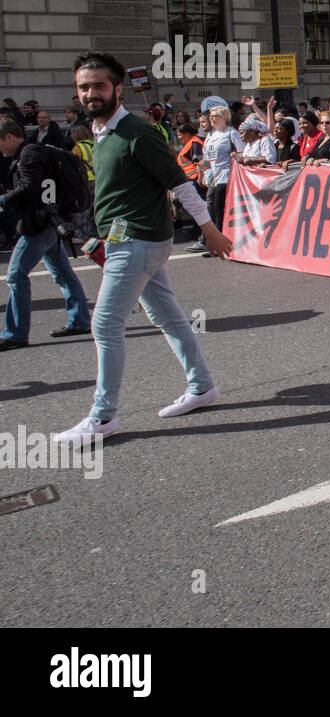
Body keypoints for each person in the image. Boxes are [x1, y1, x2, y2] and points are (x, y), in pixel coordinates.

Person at [54, 52, 233, 447]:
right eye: (84, 87)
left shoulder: (138, 132)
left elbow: (180, 182)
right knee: (166, 315)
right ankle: (202, 386)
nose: (90, 93)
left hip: (137, 241)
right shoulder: (101, 134)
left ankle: (102, 418)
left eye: (99, 85)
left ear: (117, 88)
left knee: (104, 325)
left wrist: (210, 230)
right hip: (126, 241)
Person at [0, 118, 92, 349]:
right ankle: (79, 319)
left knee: (15, 275)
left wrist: (3, 201)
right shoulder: (37, 150)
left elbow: (29, 187)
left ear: (9, 137)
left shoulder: (29, 154)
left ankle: (15, 334)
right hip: (50, 219)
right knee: (62, 271)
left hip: (39, 223)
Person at [192, 104, 242, 255]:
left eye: (215, 116)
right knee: (210, 207)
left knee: (218, 209)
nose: (212, 119)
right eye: (211, 116)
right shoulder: (210, 136)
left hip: (226, 175)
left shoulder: (231, 133)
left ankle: (218, 243)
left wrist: (236, 157)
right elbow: (208, 160)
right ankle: (210, 240)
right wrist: (201, 169)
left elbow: (241, 152)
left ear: (224, 117)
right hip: (213, 176)